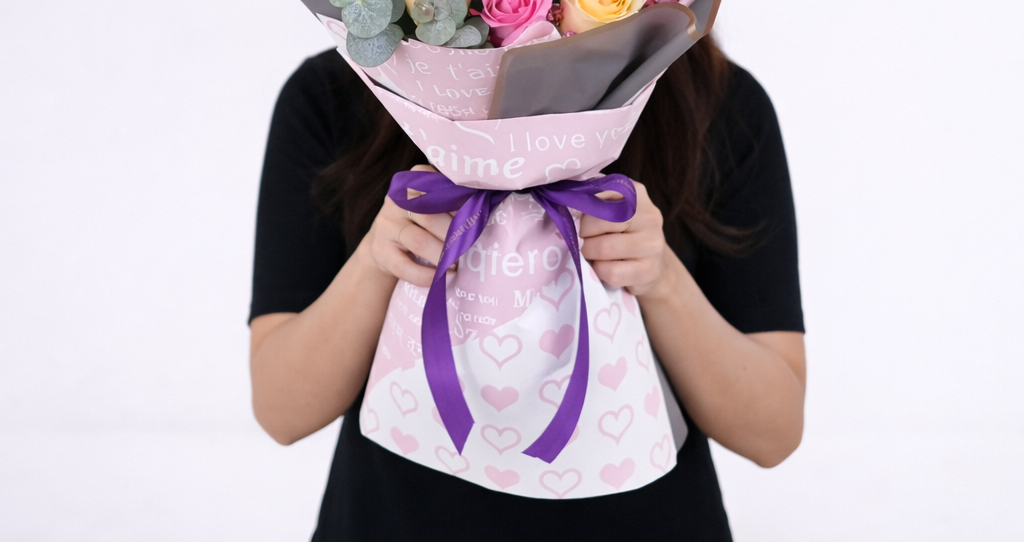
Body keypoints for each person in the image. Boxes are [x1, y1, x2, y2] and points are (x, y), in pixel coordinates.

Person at [248, 35, 805, 540]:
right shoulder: (337, 93)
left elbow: (772, 432)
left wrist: (661, 278)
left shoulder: (718, 105)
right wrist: (377, 258)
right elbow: (283, 410)